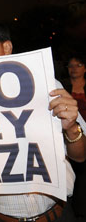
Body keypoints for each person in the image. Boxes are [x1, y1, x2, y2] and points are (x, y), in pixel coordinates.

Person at [0, 19, 86, 222]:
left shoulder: (45, 84)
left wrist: (71, 128)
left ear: (6, 47)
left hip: (59, 214)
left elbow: (80, 157)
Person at [61, 54, 86, 220]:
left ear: (85, 68)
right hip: (69, 137)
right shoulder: (61, 87)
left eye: (78, 65)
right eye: (71, 65)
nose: (74, 68)